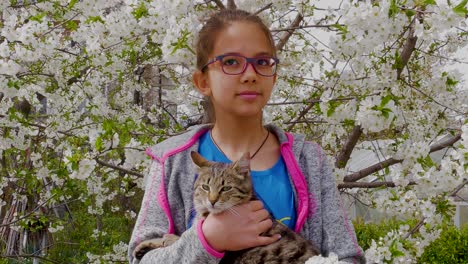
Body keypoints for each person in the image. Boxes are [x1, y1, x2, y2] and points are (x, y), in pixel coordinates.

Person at [128, 8, 365, 264]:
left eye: (263, 62)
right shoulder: (172, 161)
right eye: (231, 62)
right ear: (202, 81)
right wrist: (206, 241)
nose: (250, 75)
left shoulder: (310, 159)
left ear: (274, 76)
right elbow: (141, 259)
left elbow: (348, 256)